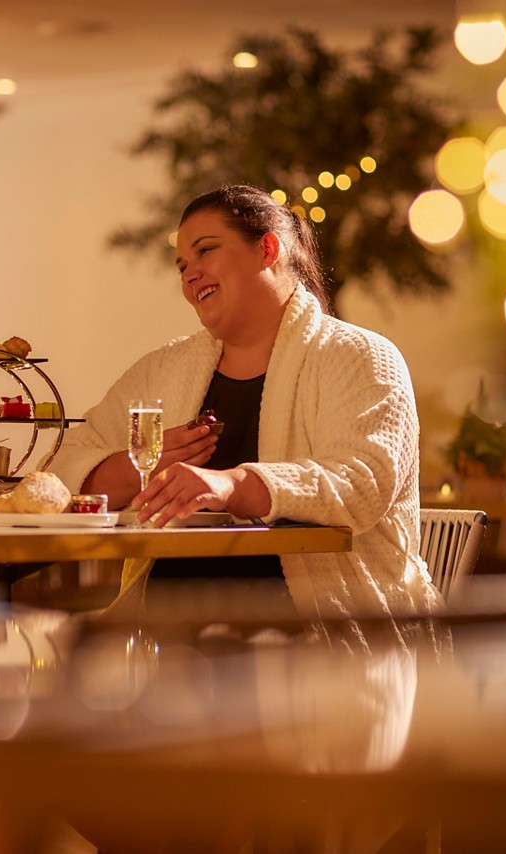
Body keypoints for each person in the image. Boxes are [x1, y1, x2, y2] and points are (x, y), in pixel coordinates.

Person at [47, 184, 440, 621]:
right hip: (165, 640)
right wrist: (139, 465)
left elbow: (361, 484)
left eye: (205, 251)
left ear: (267, 249)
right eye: (181, 265)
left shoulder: (360, 356)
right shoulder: (164, 369)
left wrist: (233, 485)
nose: (189, 274)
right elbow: (59, 473)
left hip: (315, 640)